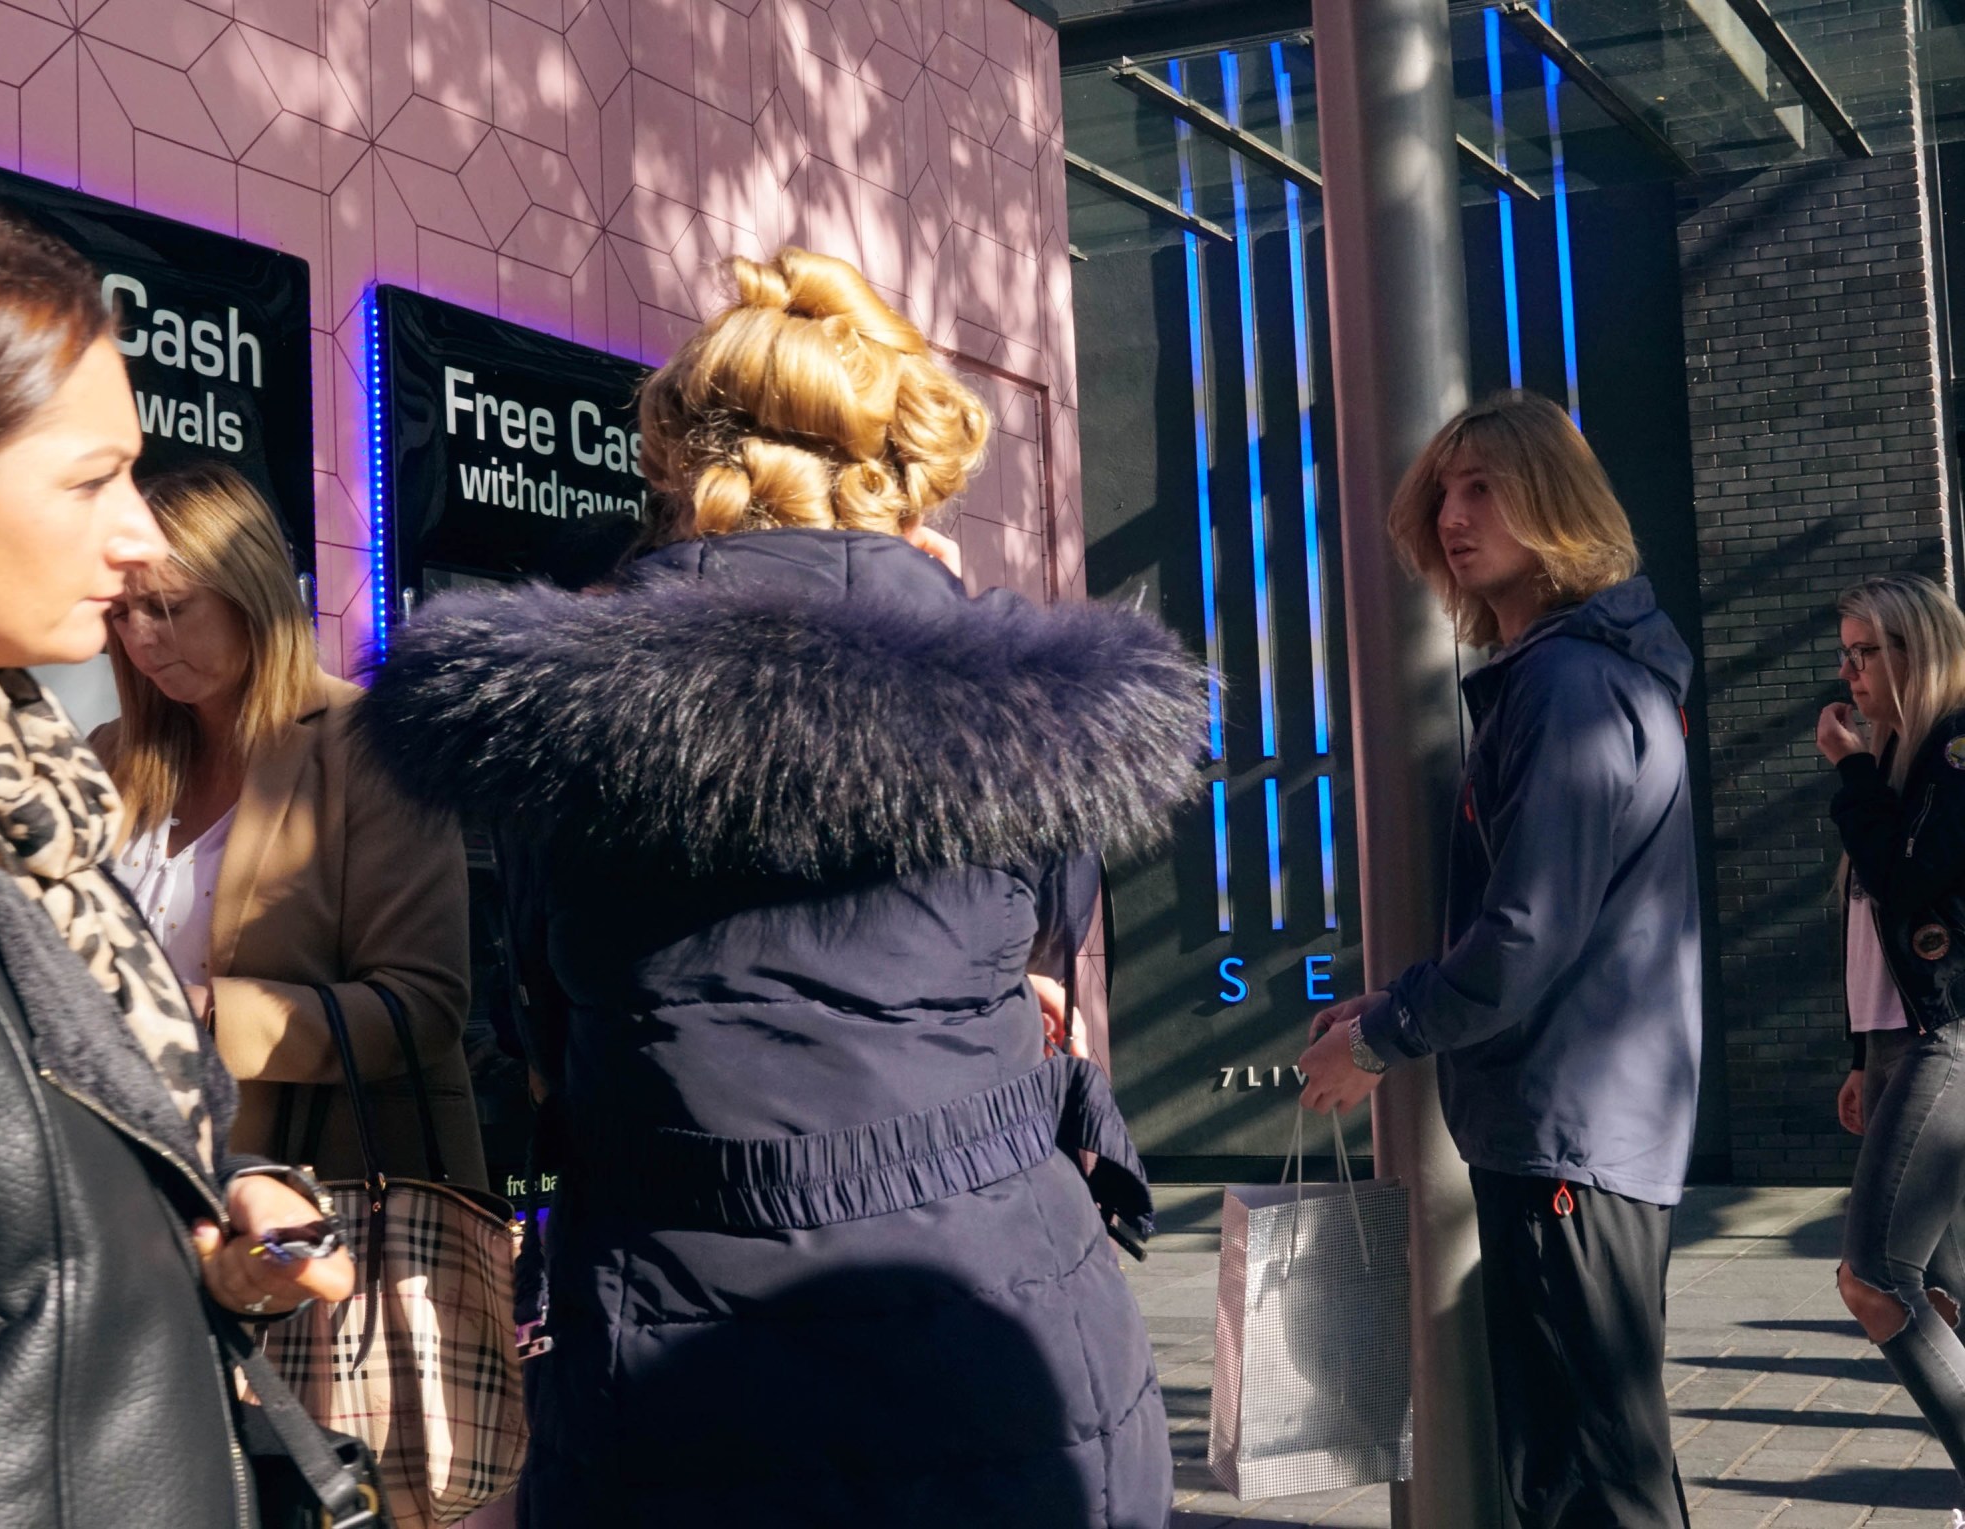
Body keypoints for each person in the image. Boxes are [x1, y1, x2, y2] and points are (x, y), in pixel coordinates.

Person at [354, 246, 1203, 1527]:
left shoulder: (552, 732)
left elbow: (541, 1034)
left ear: (684, 472)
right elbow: (1042, 983)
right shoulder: (1030, 718)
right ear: (907, 487)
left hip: (676, 1362)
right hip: (1006, 1342)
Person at [0, 202, 353, 1523]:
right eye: (91, 481)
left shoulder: (32, 793)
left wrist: (196, 1204)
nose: (132, 547)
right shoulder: (80, 774)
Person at [1298, 389, 1701, 1529]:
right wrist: (1398, 1001)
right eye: (1441, 491)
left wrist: (1378, 1039)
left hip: (1568, 1130)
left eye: (1482, 486)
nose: (1451, 514)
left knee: (1588, 1477)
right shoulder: (1588, 674)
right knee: (1588, 1463)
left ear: (1554, 504)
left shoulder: (1567, 686)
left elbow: (1526, 935)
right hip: (1582, 1121)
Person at [95, 460, 483, 1186]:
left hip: (316, 1207)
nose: (141, 639)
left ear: (250, 594)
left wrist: (206, 1018)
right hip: (122, 1183)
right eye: (120, 613)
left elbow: (424, 1004)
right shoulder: (110, 755)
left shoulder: (373, 743)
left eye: (170, 607)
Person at [1817, 574, 1965, 1525]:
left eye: (1868, 651)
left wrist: (1855, 775)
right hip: (1901, 1043)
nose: (1850, 672)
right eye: (1846, 653)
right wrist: (1861, 1053)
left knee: (1875, 1276)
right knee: (1948, 1291)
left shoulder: (1952, 757)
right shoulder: (1903, 759)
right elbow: (1874, 933)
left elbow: (1914, 890)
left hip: (1946, 1043)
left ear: (1920, 650)